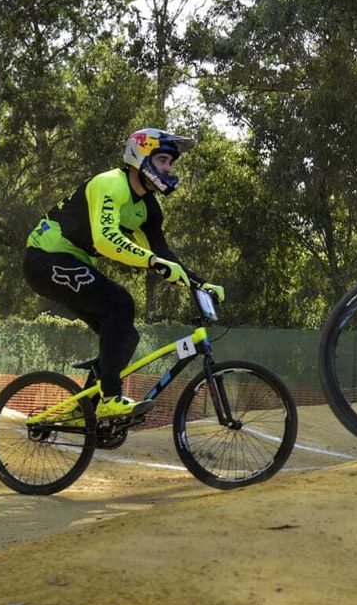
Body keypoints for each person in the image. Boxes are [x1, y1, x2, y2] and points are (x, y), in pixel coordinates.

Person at [22, 127, 224, 419]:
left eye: (170, 163)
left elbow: (166, 255)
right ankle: (110, 398)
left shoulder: (148, 208)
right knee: (120, 301)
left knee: (125, 335)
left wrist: (202, 284)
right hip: (44, 258)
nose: (168, 168)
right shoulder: (111, 184)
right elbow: (106, 240)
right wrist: (152, 262)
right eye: (163, 160)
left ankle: (85, 412)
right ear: (141, 156)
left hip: (72, 263)